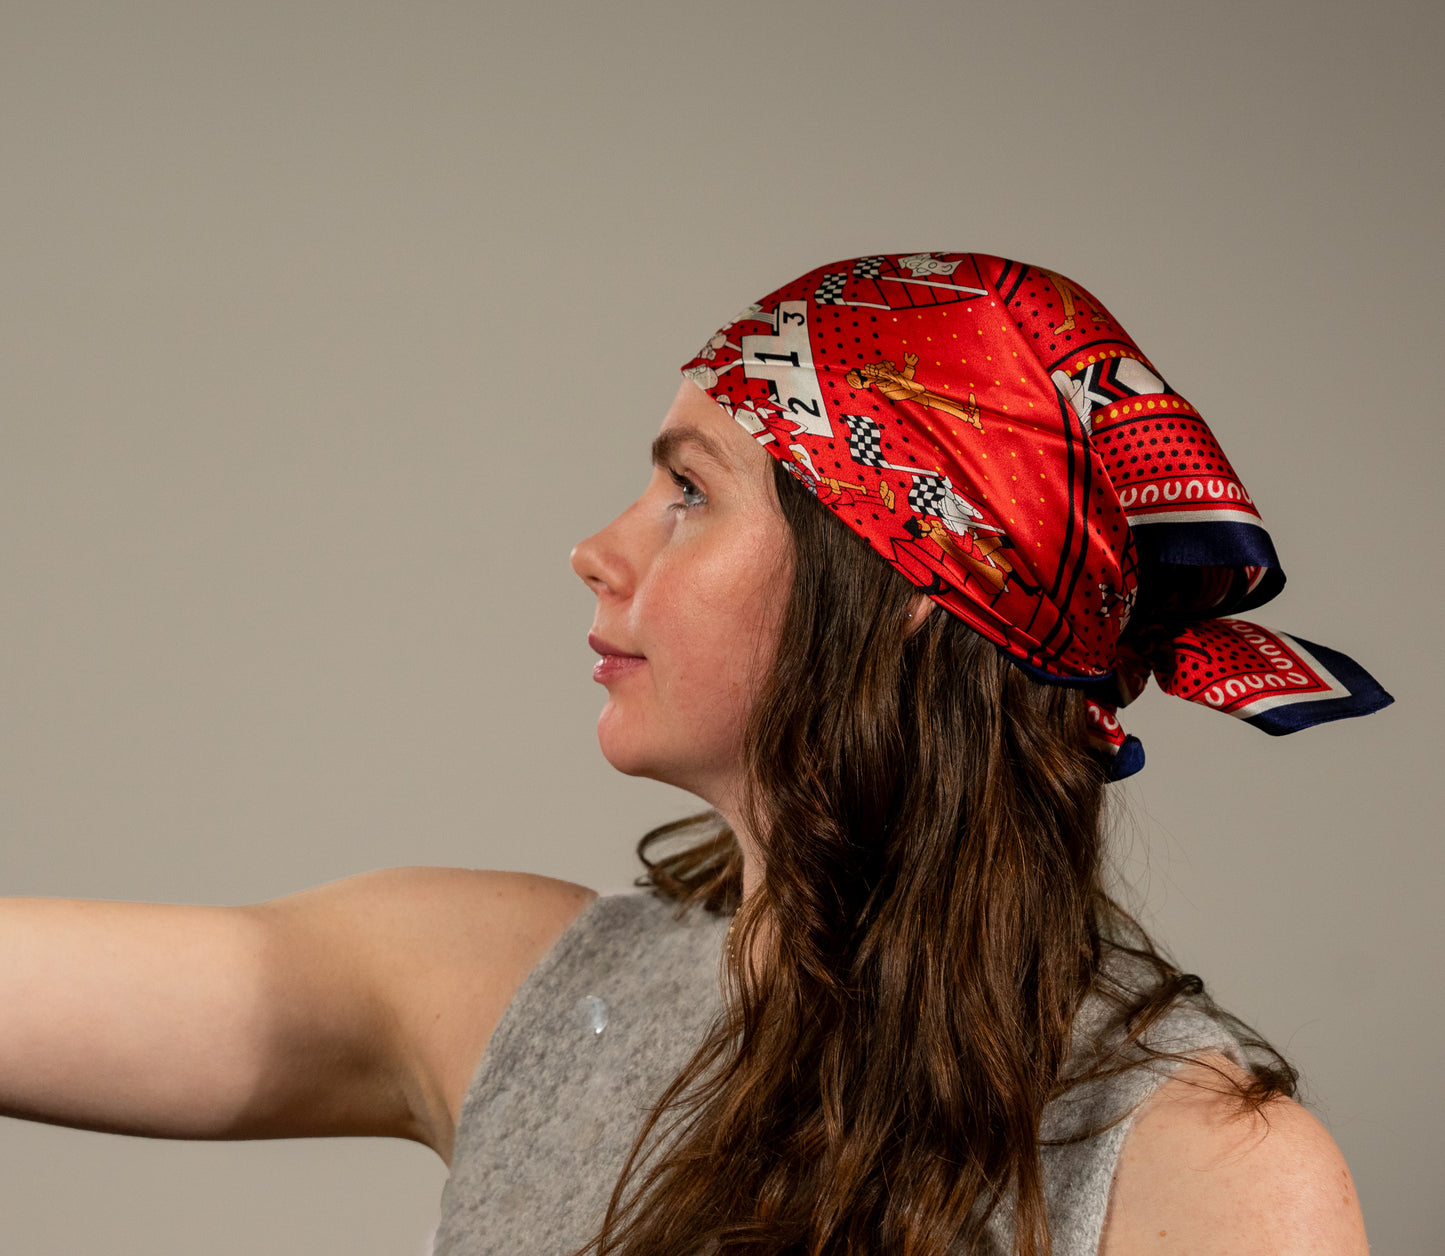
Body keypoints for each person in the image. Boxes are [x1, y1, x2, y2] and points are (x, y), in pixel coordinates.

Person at [0, 253, 1387, 1256]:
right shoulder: (493, 985)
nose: (597, 550)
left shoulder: (1200, 1166)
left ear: (909, 586)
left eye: (686, 493)